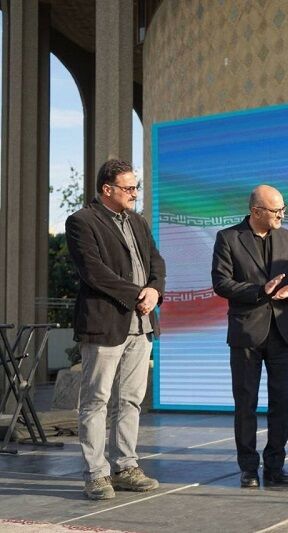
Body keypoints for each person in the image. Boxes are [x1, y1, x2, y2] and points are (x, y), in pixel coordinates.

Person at [65, 159, 165, 500]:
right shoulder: (82, 221)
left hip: (141, 324)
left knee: (130, 400)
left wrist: (154, 290)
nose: (135, 194)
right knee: (95, 401)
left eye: (136, 187)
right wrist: (138, 294)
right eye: (129, 188)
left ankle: (125, 467)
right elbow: (93, 271)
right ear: (107, 189)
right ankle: (96, 474)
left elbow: (156, 261)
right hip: (105, 323)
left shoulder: (137, 221)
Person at [211, 185, 288, 488]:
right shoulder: (228, 238)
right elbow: (221, 282)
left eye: (283, 208)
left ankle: (276, 465)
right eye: (276, 210)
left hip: (281, 331)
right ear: (256, 211)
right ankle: (248, 467)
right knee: (246, 403)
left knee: (281, 402)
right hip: (246, 333)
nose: (282, 215)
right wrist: (259, 290)